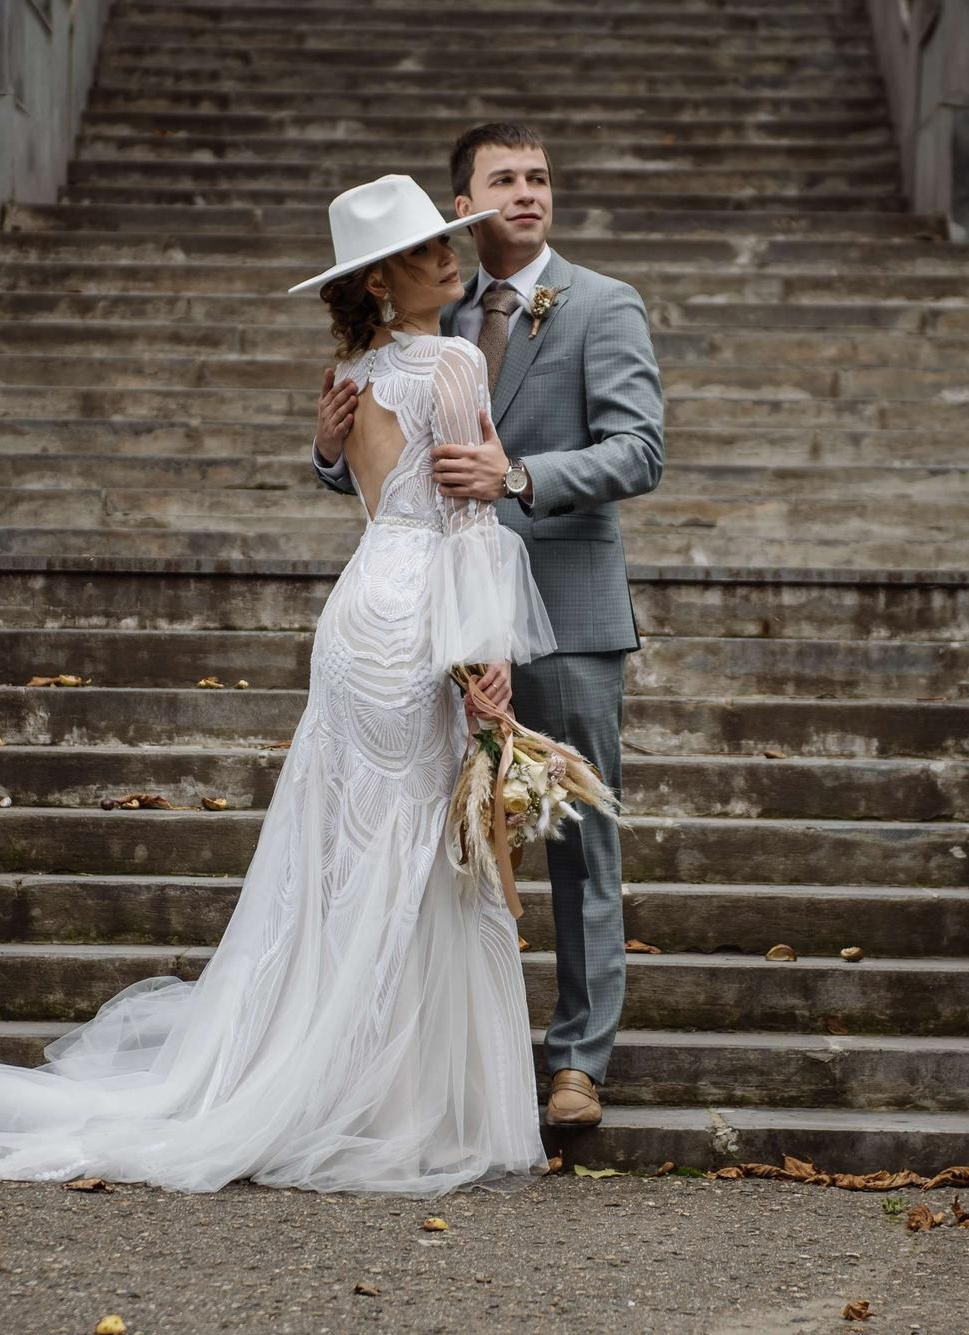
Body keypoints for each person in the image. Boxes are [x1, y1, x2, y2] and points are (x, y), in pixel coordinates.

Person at [0, 173, 559, 1196]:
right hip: (417, 622)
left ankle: (324, 1077)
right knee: (411, 854)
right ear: (376, 282)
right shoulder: (451, 360)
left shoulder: (348, 375)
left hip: (360, 610)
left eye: (444, 241)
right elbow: (467, 520)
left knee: (349, 852)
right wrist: (485, 650)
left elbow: (374, 493)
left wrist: (334, 456)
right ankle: (384, 1099)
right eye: (423, 252)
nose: (450, 257)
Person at [314, 123, 665, 1128]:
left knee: (578, 834)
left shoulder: (603, 304)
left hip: (570, 609)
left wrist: (519, 476)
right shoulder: (433, 313)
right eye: (502, 179)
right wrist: (330, 450)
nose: (526, 193)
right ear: (460, 204)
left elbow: (639, 451)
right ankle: (446, 1068)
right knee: (447, 843)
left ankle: (575, 1067)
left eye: (540, 177)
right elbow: (378, 461)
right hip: (440, 623)